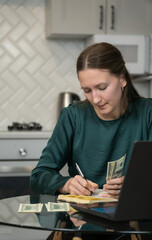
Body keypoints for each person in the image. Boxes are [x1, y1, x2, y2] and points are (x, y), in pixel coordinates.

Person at [30, 42, 152, 200]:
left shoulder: (148, 113)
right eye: (87, 90)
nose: (95, 99)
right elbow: (38, 176)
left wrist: (136, 185)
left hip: (137, 219)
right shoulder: (73, 116)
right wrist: (66, 184)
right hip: (83, 221)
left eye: (102, 88)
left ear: (122, 79)